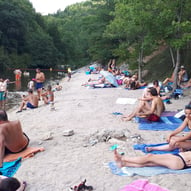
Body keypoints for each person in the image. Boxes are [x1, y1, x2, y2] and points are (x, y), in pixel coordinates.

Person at [114, 149, 191, 170]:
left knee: (149, 157)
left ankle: (122, 158)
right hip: (179, 159)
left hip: (180, 161)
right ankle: (124, 164)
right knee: (149, 163)